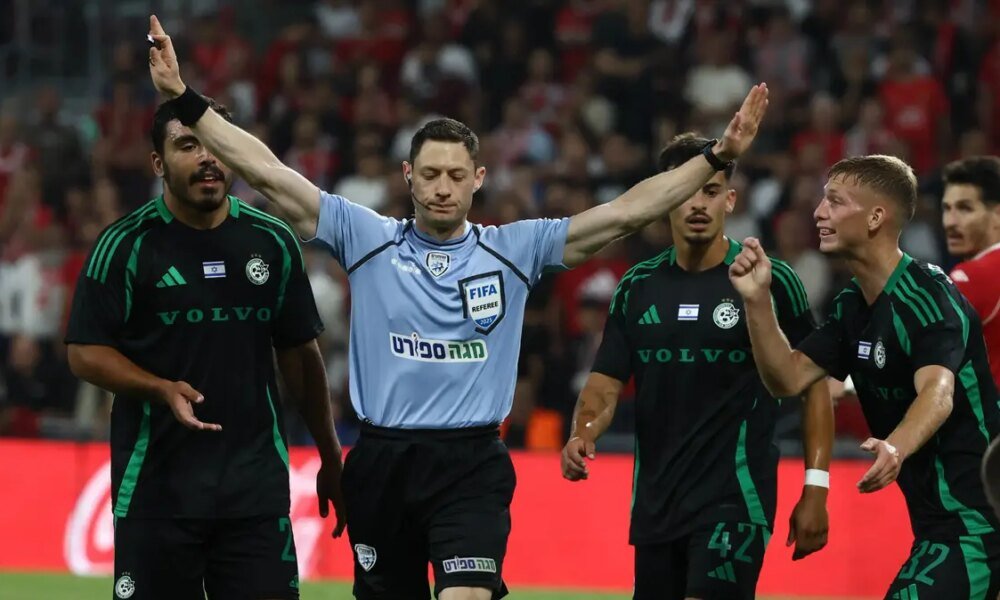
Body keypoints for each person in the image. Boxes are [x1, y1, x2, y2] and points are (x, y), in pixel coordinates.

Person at [146, 15, 768, 600]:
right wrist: (184, 98)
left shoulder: (516, 249)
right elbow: (268, 172)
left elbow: (627, 212)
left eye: (455, 175)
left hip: (470, 464)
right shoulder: (365, 237)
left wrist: (716, 157)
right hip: (382, 460)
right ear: (408, 176)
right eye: (430, 174)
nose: (442, 187)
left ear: (479, 179)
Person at [64, 96, 346, 599]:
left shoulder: (273, 241)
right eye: (187, 145)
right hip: (156, 493)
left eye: (215, 143)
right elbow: (84, 352)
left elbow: (301, 357)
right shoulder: (124, 245)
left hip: (254, 495)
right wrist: (159, 388)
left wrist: (330, 455)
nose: (207, 158)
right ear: (158, 163)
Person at [561, 133, 833, 600]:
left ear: (730, 200)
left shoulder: (768, 279)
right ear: (665, 197)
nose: (698, 203)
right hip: (656, 505)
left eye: (710, 190)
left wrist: (816, 488)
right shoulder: (636, 287)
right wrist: (581, 432)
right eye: (686, 190)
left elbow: (814, 385)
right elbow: (605, 384)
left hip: (736, 499)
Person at [729, 155, 1000, 599]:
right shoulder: (852, 305)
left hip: (977, 525)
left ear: (876, 217)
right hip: (939, 525)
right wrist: (757, 301)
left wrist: (896, 445)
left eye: (835, 202)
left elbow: (938, 392)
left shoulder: (928, 297)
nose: (819, 213)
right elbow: (788, 379)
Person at [941, 156, 1000, 386]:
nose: (950, 222)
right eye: (947, 208)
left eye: (965, 208)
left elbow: (919, 354)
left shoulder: (974, 275)